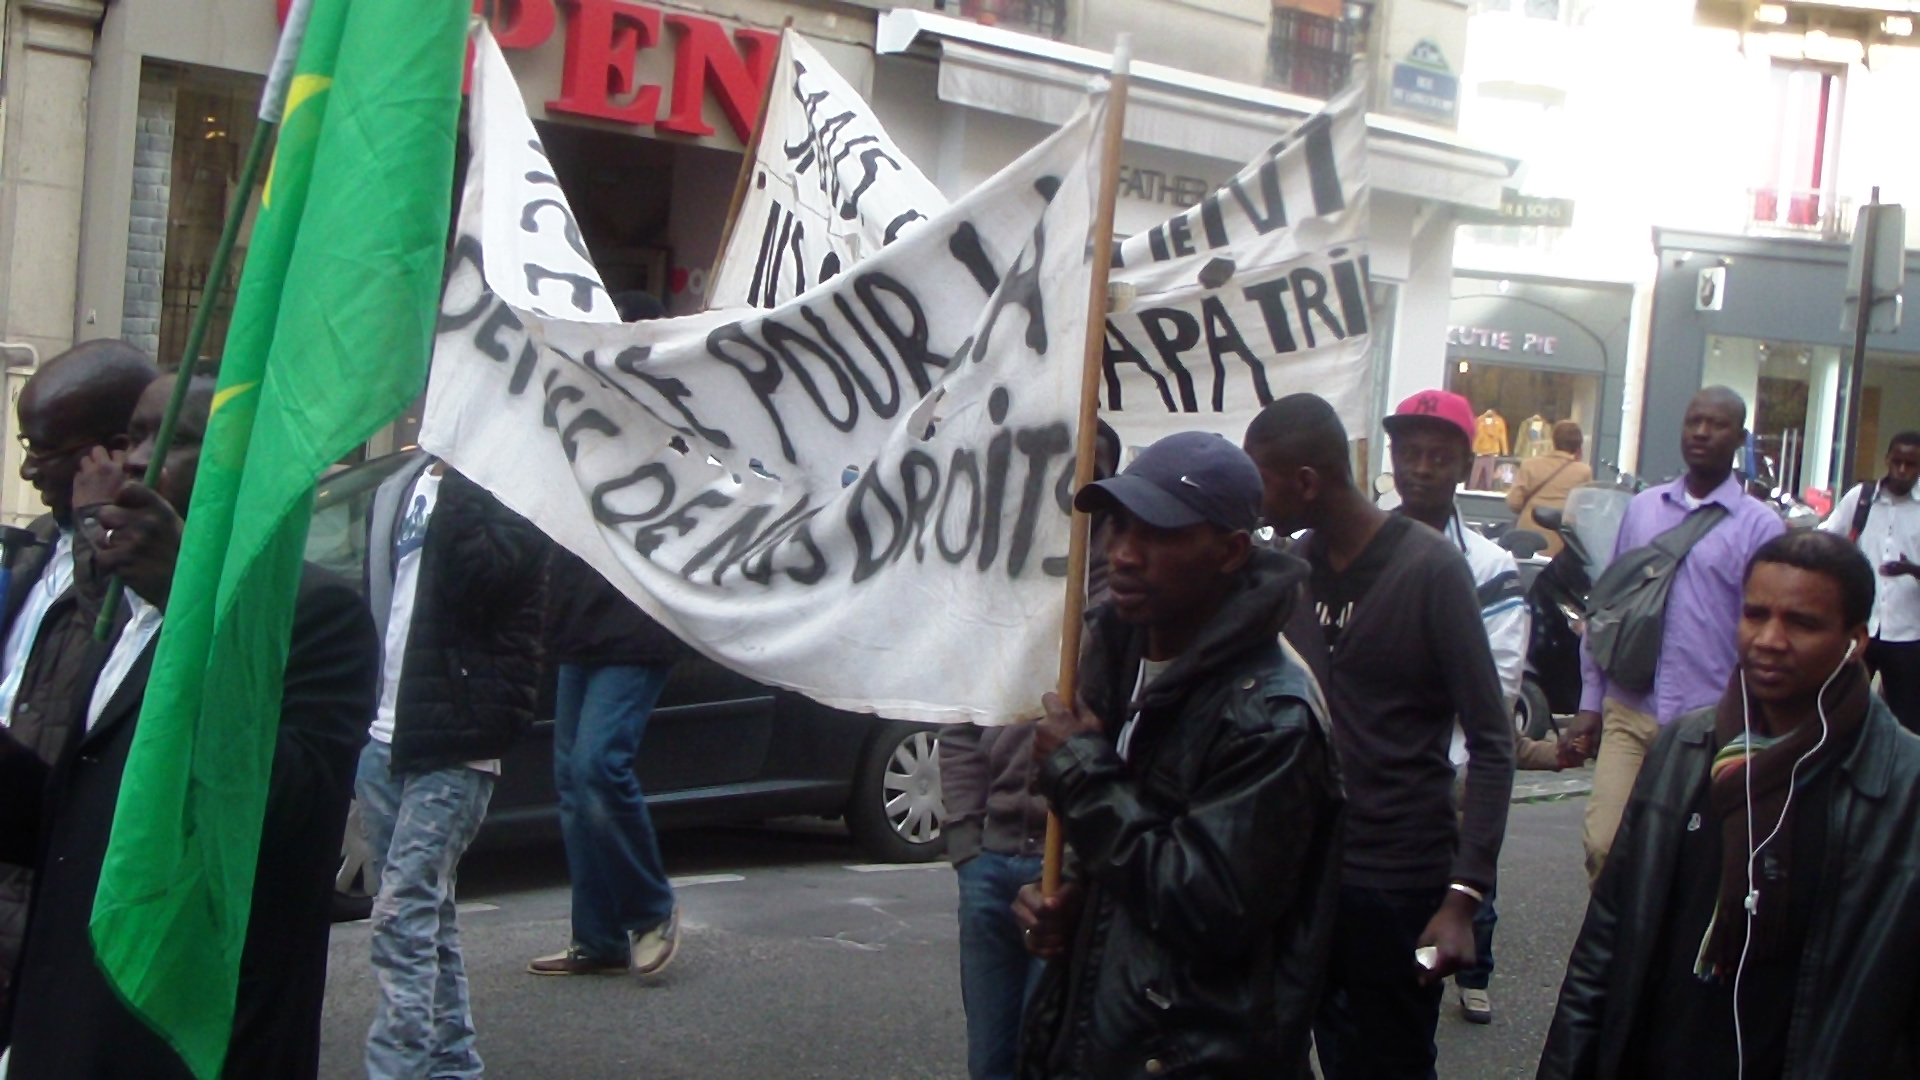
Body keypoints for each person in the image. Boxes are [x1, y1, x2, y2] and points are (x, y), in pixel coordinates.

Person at [0, 373, 379, 1078]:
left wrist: (186, 603)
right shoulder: (120, 611)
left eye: (176, 439)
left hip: (183, 1041)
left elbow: (278, 815)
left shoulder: (312, 615)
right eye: (134, 436)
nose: (139, 459)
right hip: (67, 1022)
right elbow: (72, 824)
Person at [1013, 431, 1343, 1078]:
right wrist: (1081, 904)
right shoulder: (1117, 655)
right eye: (1118, 526)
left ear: (1230, 552)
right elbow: (1136, 858)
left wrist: (1081, 774)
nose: (1124, 554)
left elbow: (1209, 905)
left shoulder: (1272, 715)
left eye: (1158, 534)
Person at [1538, 530, 1920, 1079]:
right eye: (1755, 614)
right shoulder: (1684, 749)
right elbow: (1607, 940)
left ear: (1855, 640)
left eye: (1802, 623)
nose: (1769, 639)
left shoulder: (1902, 787)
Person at [1245, 393, 1514, 1080]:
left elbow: (1491, 737)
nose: (1255, 496)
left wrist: (1464, 898)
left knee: (1382, 1062)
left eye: (1262, 479)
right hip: (1299, 880)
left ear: (1306, 482)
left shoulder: (1431, 570)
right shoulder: (1290, 571)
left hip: (1395, 887)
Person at [357, 454, 546, 1079]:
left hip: (459, 739)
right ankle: (452, 1063)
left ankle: (398, 1069)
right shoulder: (399, 487)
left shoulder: (511, 489)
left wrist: (465, 476)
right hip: (387, 732)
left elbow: (478, 580)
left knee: (402, 912)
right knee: (426, 915)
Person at [944, 423, 1118, 1080]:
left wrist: (1083, 862)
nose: (1070, 482)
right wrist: (965, 837)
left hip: (1068, 872)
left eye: (1089, 468)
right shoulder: (997, 583)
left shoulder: (1122, 597)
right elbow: (961, 713)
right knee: (991, 1059)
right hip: (989, 862)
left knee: (1046, 1053)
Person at [1560, 387, 1784, 883]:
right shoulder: (1642, 510)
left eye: (1717, 424)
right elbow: (1607, 607)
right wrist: (1590, 703)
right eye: (1693, 421)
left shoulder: (1760, 529)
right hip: (1630, 711)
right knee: (1604, 846)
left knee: (1684, 863)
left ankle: (1658, 957)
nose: (1702, 432)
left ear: (1740, 438)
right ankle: (1615, 956)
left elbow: (1769, 631)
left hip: (1708, 723)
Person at [0, 340, 156, 1028]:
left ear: (113, 450)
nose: (29, 467)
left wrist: (102, 524)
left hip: (54, 891)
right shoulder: (39, 545)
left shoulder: (145, 568)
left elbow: (110, 656)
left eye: (46, 449)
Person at [1383, 389, 1532, 1026]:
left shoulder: (1491, 569)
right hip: (1346, 796)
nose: (1421, 467)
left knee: (1406, 997)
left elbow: (1492, 692)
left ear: (1466, 465)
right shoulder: (1342, 550)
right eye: (1409, 453)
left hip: (1434, 794)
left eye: (1438, 456)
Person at [525, 548, 687, 977]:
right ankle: (599, 938)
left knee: (596, 766)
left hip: (636, 619)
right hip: (579, 618)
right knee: (574, 785)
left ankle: (651, 911)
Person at [1819, 430, 1920, 732]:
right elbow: (1827, 539)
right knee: (1842, 710)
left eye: (1911, 464)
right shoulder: (1861, 499)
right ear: (1887, 459)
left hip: (1908, 633)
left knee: (1908, 720)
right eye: (1898, 461)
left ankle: (1901, 777)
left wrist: (1912, 570)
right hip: (1860, 627)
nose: (1903, 470)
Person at [1506, 421, 1592, 557]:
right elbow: (1585, 508)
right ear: (1578, 445)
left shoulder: (1530, 465)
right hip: (1561, 540)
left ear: (1554, 441)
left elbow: (1514, 502)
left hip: (1528, 537)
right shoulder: (1583, 471)